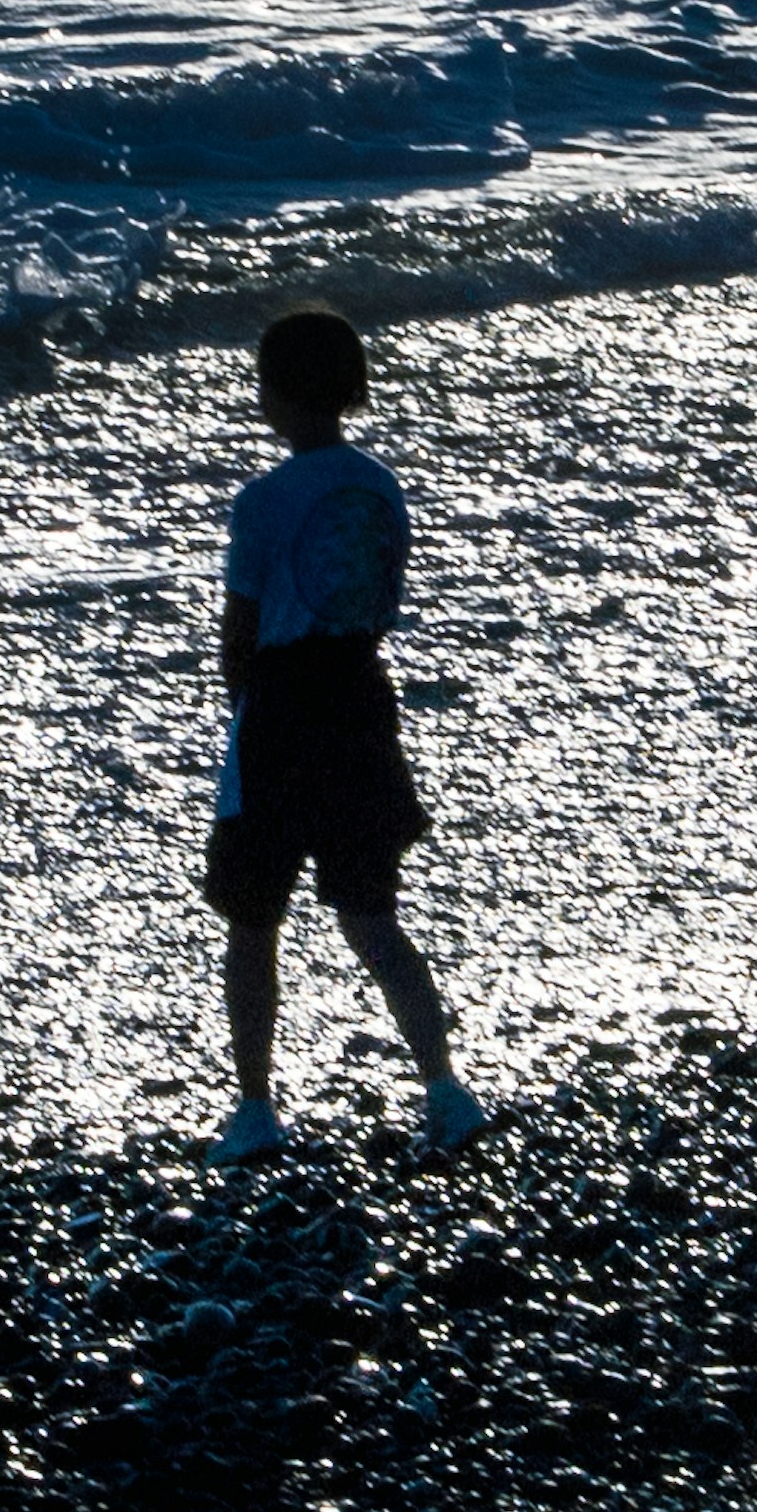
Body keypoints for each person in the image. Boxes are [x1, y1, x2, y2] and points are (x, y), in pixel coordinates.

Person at [206, 297, 487, 1166]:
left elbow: (239, 635)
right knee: (371, 914)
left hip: (285, 706)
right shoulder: (379, 485)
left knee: (253, 919)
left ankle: (255, 1105)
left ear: (274, 396)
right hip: (363, 696)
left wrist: (239, 707)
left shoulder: (261, 502)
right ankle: (444, 1085)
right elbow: (383, 596)